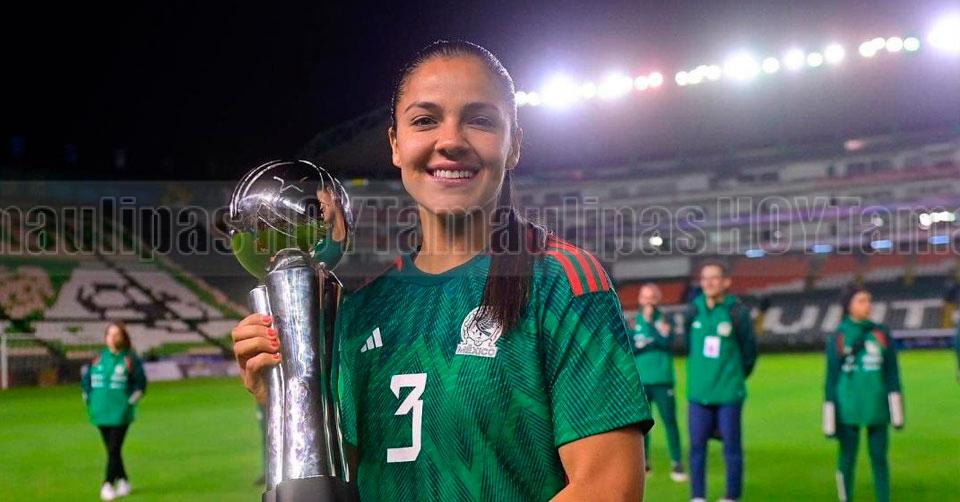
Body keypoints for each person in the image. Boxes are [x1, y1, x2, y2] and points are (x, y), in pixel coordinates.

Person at [231, 40, 654, 501]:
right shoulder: (363, 311)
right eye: (425, 120)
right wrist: (289, 399)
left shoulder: (562, 280)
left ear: (514, 146)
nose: (450, 141)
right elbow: (349, 480)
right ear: (395, 144)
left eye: (480, 120)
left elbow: (609, 488)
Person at [684, 260, 757, 502]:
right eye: (705, 278)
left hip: (728, 394)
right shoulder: (693, 310)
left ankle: (731, 496)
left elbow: (749, 353)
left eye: (714, 278)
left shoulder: (737, 312)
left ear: (726, 281)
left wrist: (734, 377)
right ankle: (698, 497)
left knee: (732, 449)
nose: (709, 282)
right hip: (698, 394)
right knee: (696, 449)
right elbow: (689, 346)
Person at [823, 287, 903, 502]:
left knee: (879, 457)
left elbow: (892, 372)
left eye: (868, 300)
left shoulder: (881, 333)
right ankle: (845, 497)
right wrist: (829, 413)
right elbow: (831, 376)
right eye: (861, 301)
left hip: (877, 404)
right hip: (847, 405)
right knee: (847, 457)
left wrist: (897, 408)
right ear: (848, 305)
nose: (867, 305)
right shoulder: (839, 336)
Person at [81, 321, 147, 501]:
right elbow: (86, 379)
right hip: (100, 411)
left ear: (123, 337)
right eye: (109, 334)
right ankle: (124, 480)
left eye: (116, 334)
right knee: (113, 450)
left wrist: (130, 401)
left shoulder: (130, 358)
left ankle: (108, 483)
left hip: (120, 412)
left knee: (113, 448)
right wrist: (87, 395)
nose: (112, 338)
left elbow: (140, 383)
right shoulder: (98, 357)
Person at [631, 283, 687, 482]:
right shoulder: (631, 322)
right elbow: (631, 347)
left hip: (663, 380)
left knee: (670, 422)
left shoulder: (666, 319)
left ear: (658, 298)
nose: (648, 300)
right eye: (645, 296)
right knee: (643, 426)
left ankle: (677, 462)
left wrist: (649, 331)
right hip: (641, 382)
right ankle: (644, 463)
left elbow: (666, 343)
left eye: (652, 296)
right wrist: (649, 339)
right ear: (639, 299)